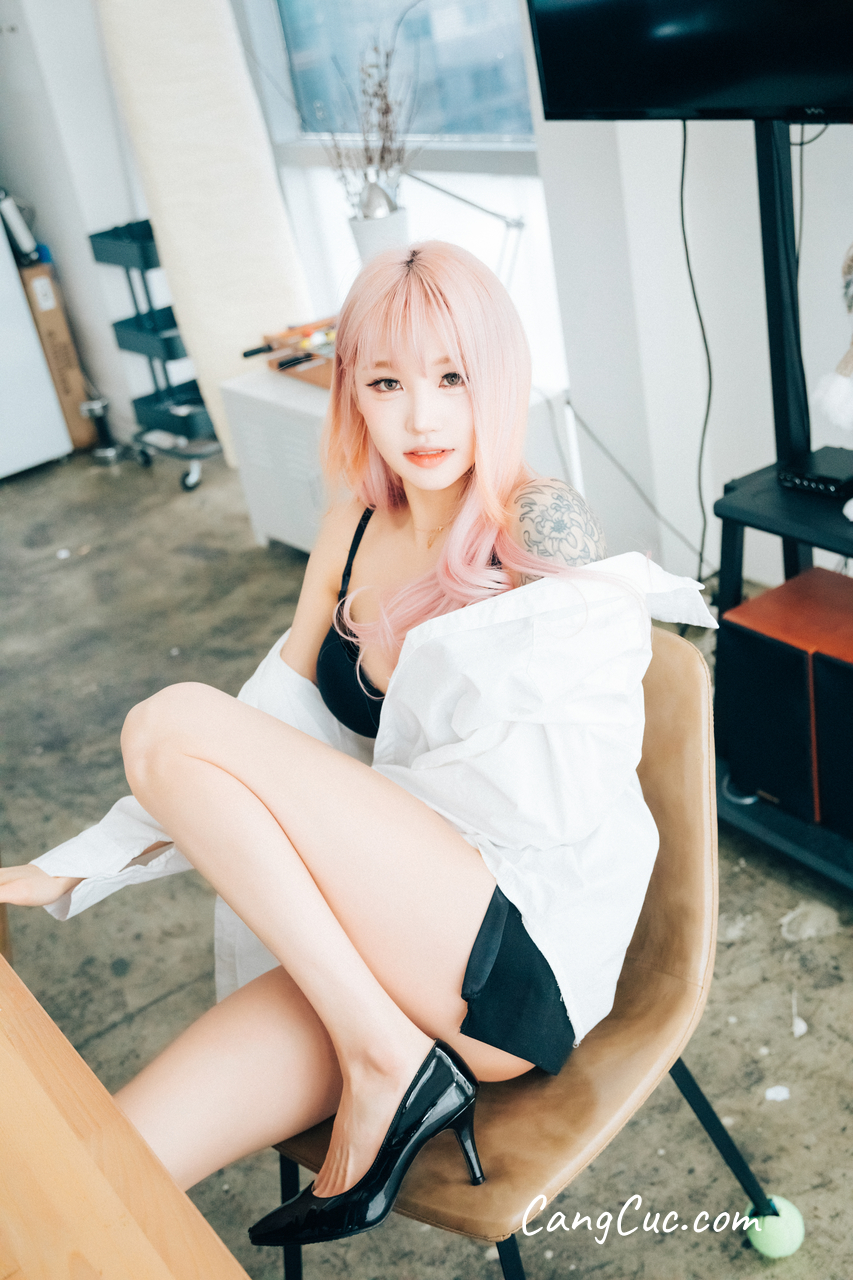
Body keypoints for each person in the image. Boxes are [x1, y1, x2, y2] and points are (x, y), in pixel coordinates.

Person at [0, 242, 715, 1249]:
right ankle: (381, 1049)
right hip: (370, 961)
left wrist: (342, 831)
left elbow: (553, 807)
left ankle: (389, 1063)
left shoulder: (538, 529)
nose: (421, 417)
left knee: (165, 720)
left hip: (506, 960)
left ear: (498, 378)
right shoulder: (349, 531)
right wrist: (77, 862)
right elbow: (260, 737)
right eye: (388, 382)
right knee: (90, 1176)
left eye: (451, 378)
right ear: (353, 394)